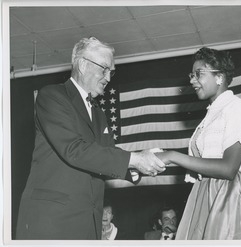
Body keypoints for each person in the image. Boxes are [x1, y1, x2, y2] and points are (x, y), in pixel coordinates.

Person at [16, 37, 165, 240]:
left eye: (111, 71)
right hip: (52, 222)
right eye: (104, 69)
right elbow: (75, 150)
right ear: (83, 64)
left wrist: (140, 166)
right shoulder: (52, 96)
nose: (108, 78)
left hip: (88, 224)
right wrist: (136, 159)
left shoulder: (98, 112)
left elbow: (106, 155)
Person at [155, 47, 241, 240]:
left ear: (219, 77)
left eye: (199, 74)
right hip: (206, 192)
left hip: (229, 195)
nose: (192, 80)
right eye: (192, 74)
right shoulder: (211, 114)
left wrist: (173, 156)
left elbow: (229, 168)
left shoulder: (238, 107)